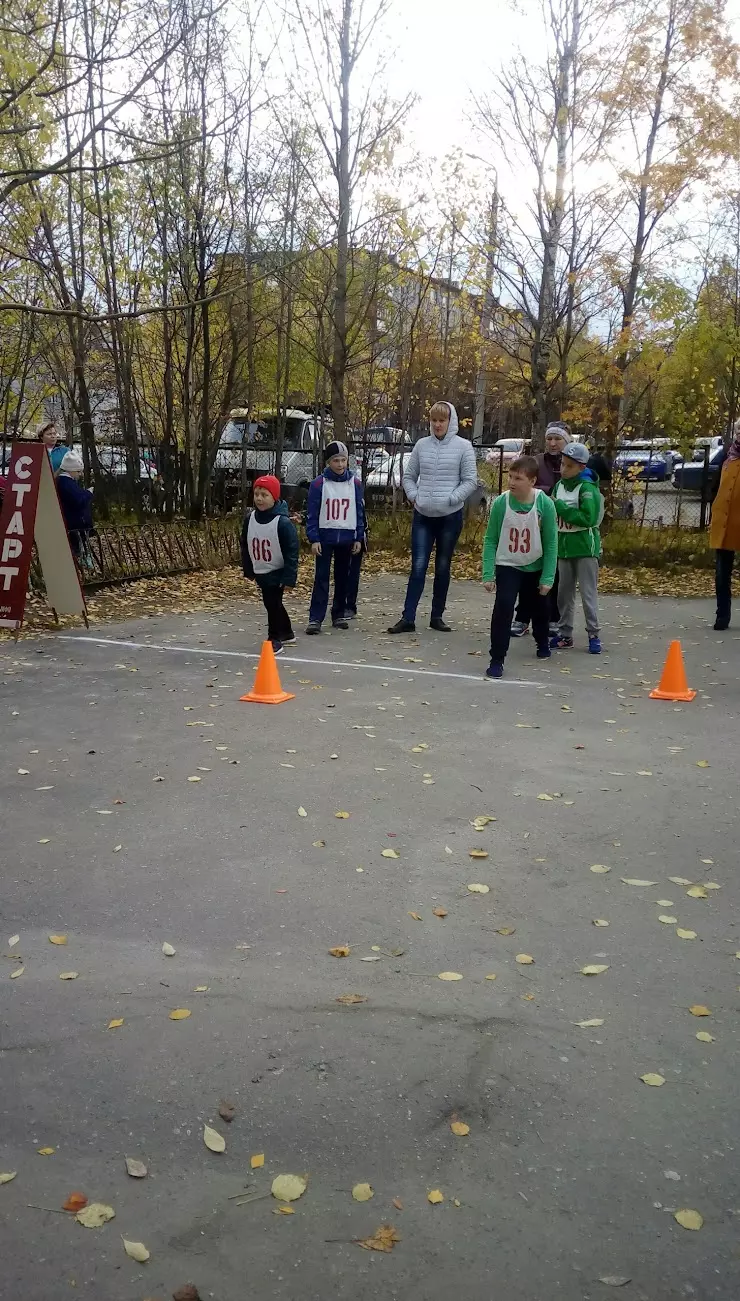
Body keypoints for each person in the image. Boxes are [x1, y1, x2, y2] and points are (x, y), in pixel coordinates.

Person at [387, 401, 477, 633]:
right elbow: (409, 476)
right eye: (434, 420)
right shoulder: (421, 445)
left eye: (442, 420)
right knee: (418, 566)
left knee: (443, 566)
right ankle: (408, 617)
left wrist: (452, 498)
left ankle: (437, 616)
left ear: (450, 421)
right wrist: (414, 495)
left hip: (449, 517)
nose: (437, 424)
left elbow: (470, 481)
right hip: (423, 516)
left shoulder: (463, 447)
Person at [481, 455, 558, 679]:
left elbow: (551, 542)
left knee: (540, 610)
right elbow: (491, 539)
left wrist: (548, 577)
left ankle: (542, 641)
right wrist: (488, 572)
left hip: (535, 566)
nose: (512, 482)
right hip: (508, 564)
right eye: (510, 477)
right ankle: (497, 658)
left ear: (532, 481)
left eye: (518, 478)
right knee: (503, 607)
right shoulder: (501, 503)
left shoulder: (544, 504)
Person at [511, 421, 570, 639]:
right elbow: (527, 486)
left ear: (566, 441)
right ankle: (522, 618)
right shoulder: (536, 462)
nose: (553, 443)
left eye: (558, 439)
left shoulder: (571, 463)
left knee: (554, 575)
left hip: (563, 529)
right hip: (534, 526)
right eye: (549, 439)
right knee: (529, 573)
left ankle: (552, 618)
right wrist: (548, 492)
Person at [305, 441, 365, 634]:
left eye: (343, 460)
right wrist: (313, 538)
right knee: (321, 577)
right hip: (325, 538)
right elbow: (312, 513)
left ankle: (338, 613)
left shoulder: (354, 483)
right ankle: (315, 618)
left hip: (347, 538)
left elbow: (359, 511)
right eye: (336, 461)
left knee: (343, 578)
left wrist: (358, 536)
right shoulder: (318, 484)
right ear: (328, 462)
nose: (340, 465)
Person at [550, 442, 603, 653]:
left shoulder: (587, 487)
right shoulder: (559, 485)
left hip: (584, 548)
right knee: (564, 594)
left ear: (581, 467)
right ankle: (565, 634)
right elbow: (552, 510)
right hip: (564, 547)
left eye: (569, 466)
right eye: (562, 464)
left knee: (587, 593)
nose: (563, 470)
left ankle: (593, 634)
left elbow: (588, 518)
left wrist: (561, 507)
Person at [240, 474, 299, 654]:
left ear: (274, 497)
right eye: (256, 494)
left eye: (264, 495)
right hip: (261, 569)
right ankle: (287, 632)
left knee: (272, 603)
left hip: (277, 570)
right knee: (272, 603)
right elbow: (246, 544)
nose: (259, 498)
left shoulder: (282, 523)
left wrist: (289, 578)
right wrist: (248, 569)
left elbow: (292, 552)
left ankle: (274, 638)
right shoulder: (250, 519)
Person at [709, 420, 740, 630]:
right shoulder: (727, 458)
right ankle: (722, 615)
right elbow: (714, 487)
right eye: (739, 430)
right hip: (724, 523)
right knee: (721, 574)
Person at [55, 451, 93, 559]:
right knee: (76, 550)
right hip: (75, 523)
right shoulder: (66, 483)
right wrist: (88, 493)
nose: (80, 474)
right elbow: (78, 501)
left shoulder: (65, 482)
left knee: (78, 548)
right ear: (70, 470)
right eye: (78, 471)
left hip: (73, 523)